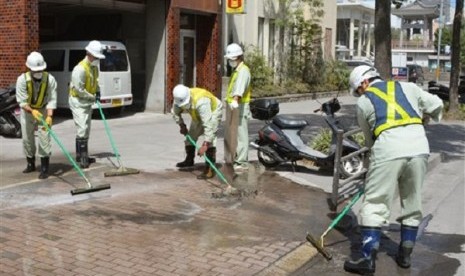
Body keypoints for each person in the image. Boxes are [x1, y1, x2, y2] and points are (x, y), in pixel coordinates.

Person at [343, 65, 443, 275]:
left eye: (358, 90)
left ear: (364, 82)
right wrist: (423, 118)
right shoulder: (409, 87)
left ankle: (367, 259)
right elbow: (436, 105)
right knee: (412, 201)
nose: (359, 94)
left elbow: (370, 140)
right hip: (418, 148)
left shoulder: (363, 102)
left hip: (387, 148)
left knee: (375, 202)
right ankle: (405, 255)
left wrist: (375, 166)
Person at [16, 51, 57, 179]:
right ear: (29, 68)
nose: (38, 72)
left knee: (44, 137)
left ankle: (44, 167)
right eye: (35, 70)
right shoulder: (22, 80)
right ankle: (30, 163)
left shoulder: (50, 79)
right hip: (28, 111)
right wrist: (32, 111)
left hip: (44, 110)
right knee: (27, 137)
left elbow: (52, 99)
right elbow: (22, 102)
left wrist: (49, 116)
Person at [171, 84, 223, 179]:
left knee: (211, 139)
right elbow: (175, 113)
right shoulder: (178, 99)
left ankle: (209, 168)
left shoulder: (201, 101)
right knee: (190, 137)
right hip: (197, 115)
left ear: (189, 97)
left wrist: (205, 144)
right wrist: (182, 125)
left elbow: (208, 125)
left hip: (213, 111)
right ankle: (189, 160)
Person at [69, 40, 105, 168]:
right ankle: (82, 157)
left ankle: (81, 155)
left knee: (86, 129)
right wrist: (92, 97)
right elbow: (79, 90)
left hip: (87, 101)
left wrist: (98, 92)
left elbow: (96, 81)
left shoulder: (94, 68)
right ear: (89, 54)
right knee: (82, 128)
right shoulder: (79, 69)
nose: (97, 59)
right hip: (78, 101)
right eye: (96, 57)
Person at [223, 43, 252, 172]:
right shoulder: (237, 70)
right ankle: (234, 158)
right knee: (234, 134)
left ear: (237, 57)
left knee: (241, 135)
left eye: (230, 59)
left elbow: (240, 89)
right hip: (234, 107)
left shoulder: (243, 70)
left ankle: (242, 161)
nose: (229, 61)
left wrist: (235, 100)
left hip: (239, 106)